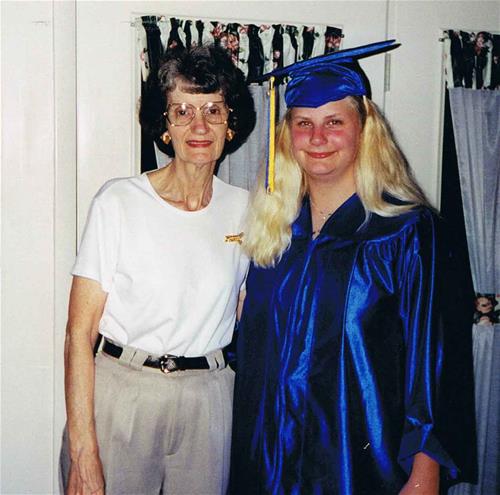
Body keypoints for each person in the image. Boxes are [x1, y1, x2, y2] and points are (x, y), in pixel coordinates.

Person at [230, 41, 475, 494]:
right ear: (287, 136)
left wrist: (424, 473)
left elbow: (433, 361)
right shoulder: (272, 233)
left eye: (334, 122)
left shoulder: (407, 233)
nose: (317, 138)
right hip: (268, 461)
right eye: (303, 123)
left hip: (356, 465)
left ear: (364, 130)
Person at [60, 44, 255, 495]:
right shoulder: (119, 202)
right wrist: (83, 450)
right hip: (125, 394)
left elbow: (246, 308)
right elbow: (78, 333)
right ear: (164, 127)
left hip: (208, 400)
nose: (199, 126)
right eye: (182, 111)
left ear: (231, 124)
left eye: (213, 110)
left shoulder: (246, 210)